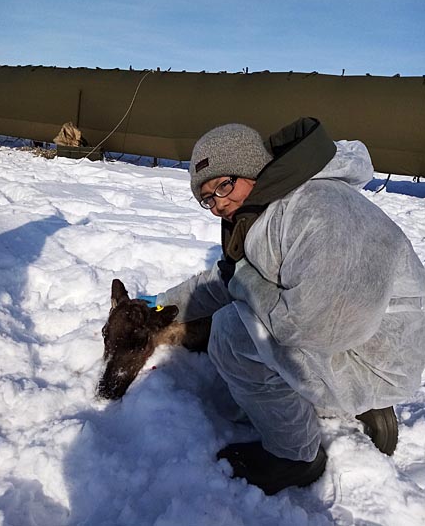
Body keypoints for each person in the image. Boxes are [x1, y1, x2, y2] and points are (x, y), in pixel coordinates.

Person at [146, 118, 425, 495]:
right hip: (370, 342)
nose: (218, 206)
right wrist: (162, 306)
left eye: (224, 186)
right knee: (244, 329)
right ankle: (364, 404)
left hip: (373, 356)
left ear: (252, 169)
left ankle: (295, 458)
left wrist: (246, 285)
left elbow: (311, 326)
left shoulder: (316, 211)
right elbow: (228, 277)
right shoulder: (275, 206)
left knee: (232, 334)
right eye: (207, 198)